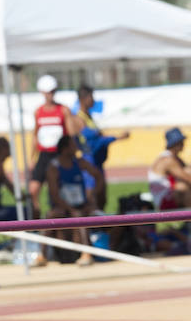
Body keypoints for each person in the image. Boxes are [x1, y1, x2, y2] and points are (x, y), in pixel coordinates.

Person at [44, 136, 104, 266]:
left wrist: (92, 195)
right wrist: (69, 209)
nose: (76, 148)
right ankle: (42, 255)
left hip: (81, 205)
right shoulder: (54, 167)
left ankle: (86, 253)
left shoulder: (79, 162)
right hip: (62, 207)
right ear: (65, 148)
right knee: (50, 217)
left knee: (81, 215)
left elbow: (98, 176)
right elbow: (54, 195)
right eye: (73, 145)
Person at [74, 84, 130, 210]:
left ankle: (100, 226)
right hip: (89, 161)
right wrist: (117, 138)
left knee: (102, 198)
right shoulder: (78, 119)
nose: (93, 100)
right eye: (91, 97)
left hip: (98, 161)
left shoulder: (89, 117)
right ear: (84, 98)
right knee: (91, 196)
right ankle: (91, 226)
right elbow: (92, 140)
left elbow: (98, 137)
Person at [30, 75, 76, 219]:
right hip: (44, 154)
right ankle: (35, 220)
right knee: (33, 189)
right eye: (48, 92)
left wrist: (72, 154)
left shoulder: (63, 110)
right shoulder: (38, 112)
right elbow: (35, 134)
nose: (50, 95)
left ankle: (54, 219)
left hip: (58, 155)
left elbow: (71, 135)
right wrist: (32, 158)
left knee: (54, 190)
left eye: (53, 91)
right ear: (42, 92)